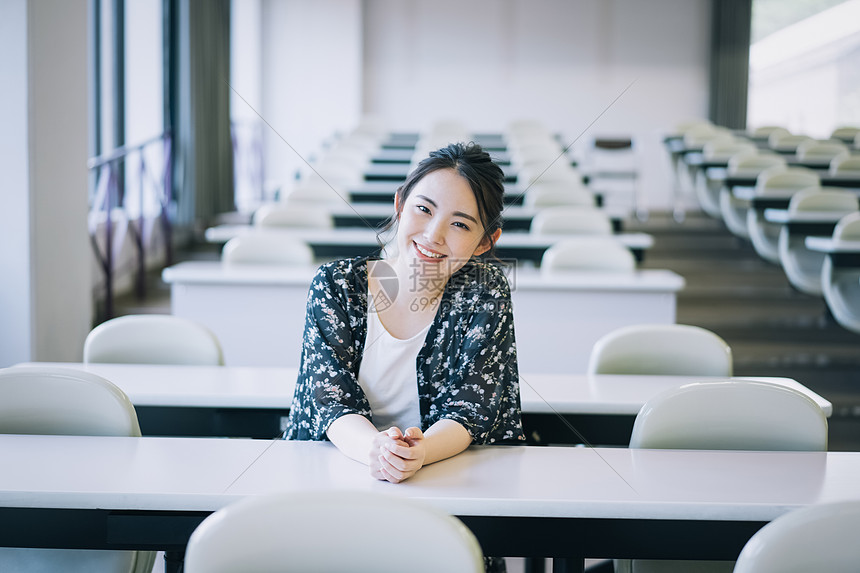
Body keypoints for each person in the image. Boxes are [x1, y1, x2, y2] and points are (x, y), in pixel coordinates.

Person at [285, 142, 525, 486]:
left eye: (460, 224)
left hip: (446, 478)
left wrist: (418, 453)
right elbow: (330, 400)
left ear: (486, 242)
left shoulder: (485, 290)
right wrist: (379, 451)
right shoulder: (337, 284)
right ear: (400, 204)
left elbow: (471, 408)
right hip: (334, 474)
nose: (433, 234)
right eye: (424, 209)